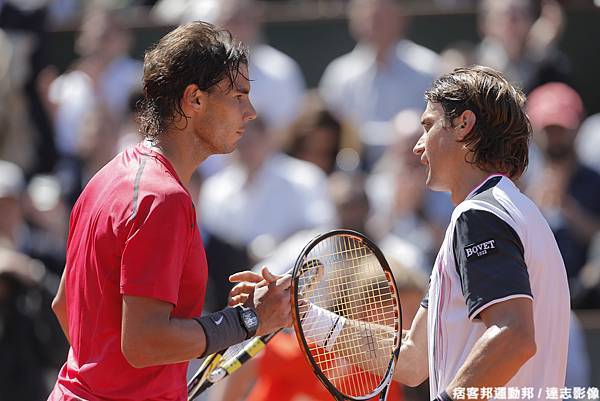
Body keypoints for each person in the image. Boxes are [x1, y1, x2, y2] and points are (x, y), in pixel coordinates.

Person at [48, 22, 292, 401]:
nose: (251, 112)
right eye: (239, 95)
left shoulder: (109, 176)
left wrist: (115, 377)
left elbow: (66, 306)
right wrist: (248, 320)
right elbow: (145, 342)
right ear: (194, 99)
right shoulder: (162, 199)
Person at [393, 66, 570, 400]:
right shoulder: (523, 213)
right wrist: (309, 317)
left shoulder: (479, 216)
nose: (418, 146)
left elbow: (514, 335)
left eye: (428, 126)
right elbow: (414, 357)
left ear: (464, 125)